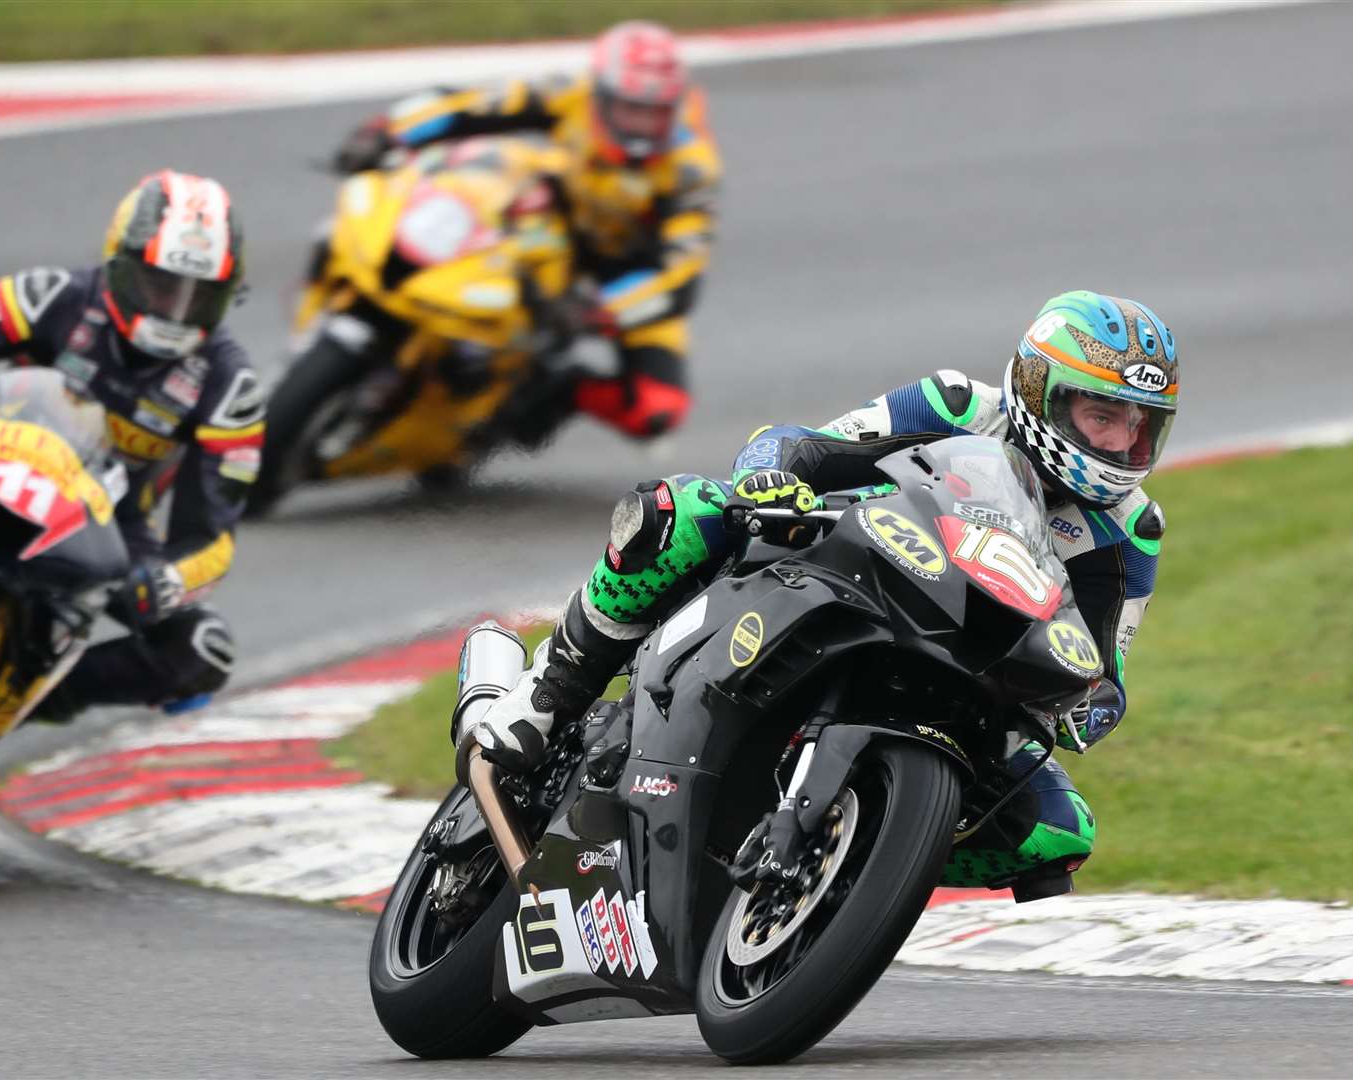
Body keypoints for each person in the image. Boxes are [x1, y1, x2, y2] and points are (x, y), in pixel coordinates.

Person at [458, 290, 1176, 895]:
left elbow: (1104, 661)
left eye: (1138, 427)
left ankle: (856, 866)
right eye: (1100, 416)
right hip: (833, 562)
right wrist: (770, 480)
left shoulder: (1133, 528)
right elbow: (800, 443)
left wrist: (1087, 704)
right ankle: (547, 696)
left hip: (969, 658)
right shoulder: (956, 403)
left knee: (1056, 831)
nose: (1119, 445)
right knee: (682, 513)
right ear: (1036, 390)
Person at [0, 169, 265, 804]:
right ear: (119, 263)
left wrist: (167, 581)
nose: (173, 309)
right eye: (160, 283)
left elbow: (213, 535)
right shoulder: (48, 293)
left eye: (198, 295)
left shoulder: (231, 388)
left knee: (199, 649)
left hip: (106, 519)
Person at [331, 20, 720, 440]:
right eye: (631, 109)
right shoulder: (571, 93)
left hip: (626, 273)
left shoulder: (691, 170)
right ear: (602, 96)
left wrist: (600, 310)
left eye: (655, 113)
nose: (642, 125)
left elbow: (681, 273)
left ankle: (555, 393)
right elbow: (473, 103)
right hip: (556, 222)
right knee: (482, 181)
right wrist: (387, 130)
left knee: (657, 409)